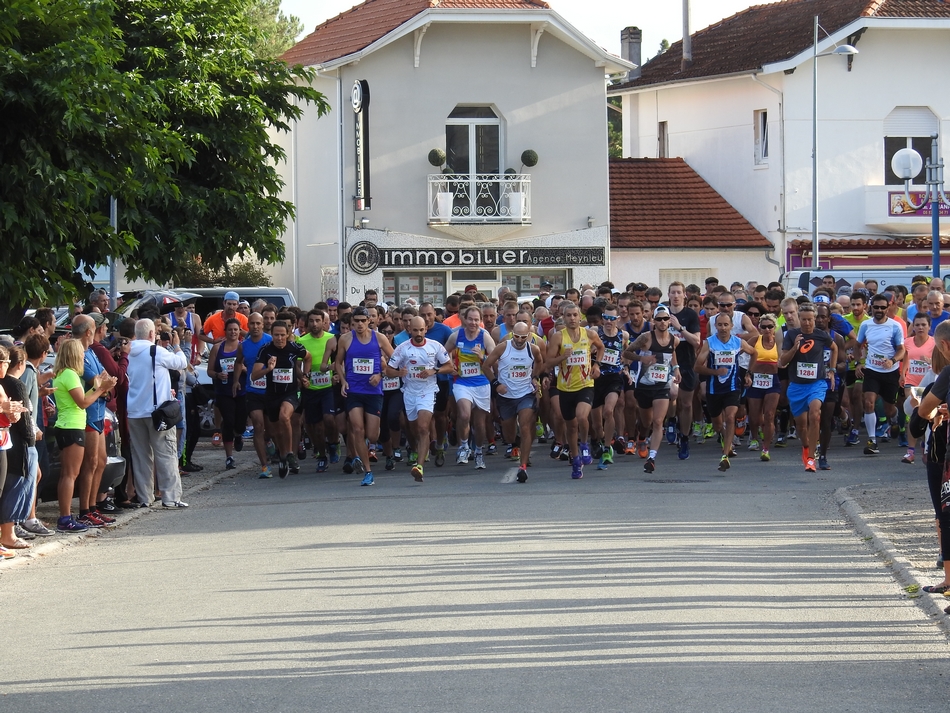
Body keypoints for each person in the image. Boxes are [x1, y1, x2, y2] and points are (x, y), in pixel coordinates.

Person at [52, 340, 116, 529]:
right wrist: (101, 388)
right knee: (70, 475)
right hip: (71, 425)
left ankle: (67, 516)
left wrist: (100, 387)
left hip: (70, 424)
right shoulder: (70, 374)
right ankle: (65, 517)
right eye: (80, 353)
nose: (82, 356)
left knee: (69, 474)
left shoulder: (65, 374)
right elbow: (83, 402)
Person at [126, 320, 189, 507]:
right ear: (152, 334)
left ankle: (145, 498)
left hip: (134, 412)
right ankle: (171, 498)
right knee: (166, 454)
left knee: (141, 456)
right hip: (157, 413)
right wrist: (177, 345)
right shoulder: (156, 351)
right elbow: (182, 362)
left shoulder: (128, 353)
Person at [385, 316, 453, 482]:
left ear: (425, 329)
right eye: (415, 330)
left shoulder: (435, 346)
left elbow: (450, 366)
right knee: (413, 428)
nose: (418, 333)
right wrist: (398, 373)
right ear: (410, 330)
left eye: (421, 330)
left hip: (427, 391)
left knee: (423, 427)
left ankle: (419, 466)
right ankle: (417, 448)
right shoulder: (402, 349)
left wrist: (434, 371)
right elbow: (388, 370)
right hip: (409, 392)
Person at [335, 306, 394, 486]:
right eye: (356, 321)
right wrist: (344, 381)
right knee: (357, 429)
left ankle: (368, 448)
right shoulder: (345, 339)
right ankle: (367, 471)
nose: (359, 324)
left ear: (369, 321)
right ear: (352, 322)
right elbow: (337, 363)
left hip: (373, 392)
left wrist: (381, 375)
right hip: (354, 391)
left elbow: (395, 359)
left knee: (372, 435)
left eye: (363, 320)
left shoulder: (379, 338)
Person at [546, 302, 604, 479]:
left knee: (581, 416)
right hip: (565, 387)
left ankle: (585, 444)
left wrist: (597, 364)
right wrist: (562, 357)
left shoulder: (590, 334)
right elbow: (548, 362)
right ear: (563, 317)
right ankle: (576, 459)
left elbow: (601, 347)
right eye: (568, 315)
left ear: (580, 317)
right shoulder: (558, 337)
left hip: (586, 384)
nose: (572, 318)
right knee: (571, 427)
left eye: (575, 315)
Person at [695, 313, 756, 471]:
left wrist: (749, 373)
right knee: (717, 424)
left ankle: (726, 454)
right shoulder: (709, 343)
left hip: (732, 387)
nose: (723, 328)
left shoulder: (738, 342)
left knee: (730, 417)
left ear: (731, 326)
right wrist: (715, 372)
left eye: (725, 325)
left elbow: (754, 353)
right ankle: (723, 437)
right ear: (715, 326)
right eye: (720, 325)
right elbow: (697, 367)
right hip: (714, 389)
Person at [779, 303, 836, 472]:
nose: (807, 323)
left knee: (815, 413)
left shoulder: (821, 335)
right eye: (803, 319)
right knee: (802, 426)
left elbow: (834, 347)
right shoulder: (792, 334)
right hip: (797, 386)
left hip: (816, 384)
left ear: (815, 319)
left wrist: (831, 370)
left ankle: (812, 458)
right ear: (799, 318)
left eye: (810, 319)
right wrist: (795, 347)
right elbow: (783, 361)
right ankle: (806, 447)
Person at [484, 321, 543, 483]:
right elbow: (486, 366)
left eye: (523, 337)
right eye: (516, 336)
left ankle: (522, 466)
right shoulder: (503, 347)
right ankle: (515, 443)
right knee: (509, 433)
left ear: (528, 336)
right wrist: (496, 384)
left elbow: (539, 362)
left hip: (525, 394)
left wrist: (535, 377)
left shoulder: (533, 349)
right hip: (506, 396)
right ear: (512, 335)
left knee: (525, 426)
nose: (519, 340)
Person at [251, 320, 310, 478]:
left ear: (288, 334)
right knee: (275, 431)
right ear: (272, 335)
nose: (279, 338)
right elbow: (254, 376)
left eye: (282, 335)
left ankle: (290, 453)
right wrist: (268, 369)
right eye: (276, 335)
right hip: (272, 395)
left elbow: (308, 357)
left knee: (285, 416)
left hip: (290, 393)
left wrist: (305, 375)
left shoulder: (294, 347)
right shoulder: (265, 350)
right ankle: (284, 456)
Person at [916, 321, 950, 593]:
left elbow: (922, 410)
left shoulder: (947, 372)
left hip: (944, 456)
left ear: (942, 345)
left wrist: (935, 414)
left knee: (947, 516)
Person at [445, 306, 496, 469]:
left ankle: (479, 450)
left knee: (480, 423)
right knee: (464, 414)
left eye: (476, 319)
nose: (473, 322)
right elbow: (443, 352)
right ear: (464, 320)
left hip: (481, 382)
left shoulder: (485, 337)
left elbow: (495, 359)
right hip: (462, 382)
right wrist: (450, 364)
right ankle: (464, 446)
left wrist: (483, 357)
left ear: (479, 321)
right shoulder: (456, 335)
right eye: (470, 319)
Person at [856, 293, 906, 455]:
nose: (879, 310)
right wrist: (859, 363)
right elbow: (858, 345)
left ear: (888, 308)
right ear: (871, 307)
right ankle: (872, 441)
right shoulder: (866, 325)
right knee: (869, 403)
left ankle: (894, 420)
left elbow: (901, 350)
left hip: (890, 372)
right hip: (872, 370)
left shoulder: (894, 326)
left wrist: (892, 360)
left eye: (882, 307)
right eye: (876, 307)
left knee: (889, 408)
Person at [297, 309, 337, 473]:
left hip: (328, 388)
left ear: (324, 322)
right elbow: (296, 365)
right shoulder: (302, 340)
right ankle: (321, 455)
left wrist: (336, 375)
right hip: (311, 388)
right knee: (316, 427)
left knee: (329, 418)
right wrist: (302, 377)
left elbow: (338, 361)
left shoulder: (332, 338)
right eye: (311, 321)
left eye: (317, 321)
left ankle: (333, 444)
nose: (314, 324)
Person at [235, 313, 273, 478]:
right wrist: (236, 381)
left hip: (271, 391)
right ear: (248, 326)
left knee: (270, 428)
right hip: (253, 390)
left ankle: (269, 440)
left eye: (258, 323)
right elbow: (238, 362)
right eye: (252, 324)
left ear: (263, 324)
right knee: (258, 425)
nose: (255, 326)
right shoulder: (244, 345)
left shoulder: (271, 341)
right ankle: (264, 466)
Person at [591, 303, 628, 470]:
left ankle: (607, 449)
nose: (608, 321)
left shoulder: (623, 335)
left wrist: (625, 367)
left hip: (614, 378)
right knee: (597, 423)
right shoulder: (594, 333)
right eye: (606, 317)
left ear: (617, 319)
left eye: (612, 318)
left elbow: (626, 353)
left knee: (608, 411)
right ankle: (600, 440)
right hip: (595, 378)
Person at [207, 318, 247, 471]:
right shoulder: (217, 348)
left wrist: (244, 369)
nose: (233, 332)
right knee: (228, 422)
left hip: (241, 390)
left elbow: (253, 369)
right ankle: (229, 457)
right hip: (224, 391)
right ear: (225, 331)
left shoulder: (243, 348)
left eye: (236, 330)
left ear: (240, 331)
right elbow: (210, 371)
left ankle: (239, 434)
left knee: (240, 423)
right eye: (230, 329)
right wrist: (217, 375)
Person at [745, 313, 780, 461]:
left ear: (774, 328)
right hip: (756, 380)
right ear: (759, 328)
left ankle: (765, 448)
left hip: (773, 380)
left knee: (770, 415)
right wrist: (747, 373)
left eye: (770, 327)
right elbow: (741, 353)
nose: (767, 330)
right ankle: (754, 437)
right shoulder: (755, 340)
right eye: (763, 327)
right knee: (754, 416)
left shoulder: (779, 342)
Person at [901, 313, 934, 464]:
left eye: (923, 325)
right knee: (914, 414)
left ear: (929, 327)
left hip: (928, 384)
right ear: (912, 326)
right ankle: (910, 451)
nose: (920, 327)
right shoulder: (907, 342)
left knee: (925, 415)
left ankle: (925, 444)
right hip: (911, 382)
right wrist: (902, 374)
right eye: (917, 325)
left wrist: (929, 362)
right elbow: (905, 358)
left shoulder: (935, 343)